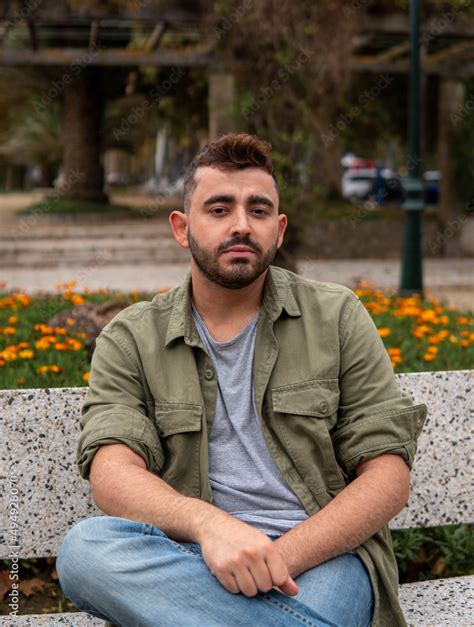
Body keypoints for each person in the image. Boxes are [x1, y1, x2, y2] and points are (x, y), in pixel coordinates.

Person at [56, 133, 427, 627]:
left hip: (320, 558)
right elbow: (111, 473)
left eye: (258, 210)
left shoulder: (337, 316)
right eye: (218, 209)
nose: (240, 225)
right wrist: (210, 527)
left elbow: (387, 478)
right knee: (84, 551)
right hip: (193, 558)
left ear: (279, 228)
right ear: (182, 228)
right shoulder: (132, 338)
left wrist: (276, 559)